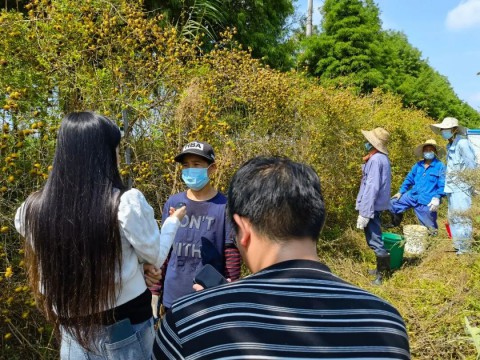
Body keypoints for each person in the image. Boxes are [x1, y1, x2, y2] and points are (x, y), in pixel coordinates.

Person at [152, 156, 410, 360]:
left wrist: (226, 302)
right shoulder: (387, 322)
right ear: (318, 223)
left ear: (243, 229)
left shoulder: (188, 322)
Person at [14, 112, 185, 359]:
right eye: (115, 149)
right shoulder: (124, 203)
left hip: (72, 334)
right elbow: (155, 256)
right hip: (127, 329)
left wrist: (139, 266)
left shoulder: (33, 210)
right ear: (102, 153)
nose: (117, 155)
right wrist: (172, 223)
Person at [145, 141, 241, 315]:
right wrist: (154, 291)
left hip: (207, 297)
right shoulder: (174, 203)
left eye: (196, 164)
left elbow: (231, 254)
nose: (190, 170)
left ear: (212, 168)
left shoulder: (225, 207)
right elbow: (165, 250)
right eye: (186, 165)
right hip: (173, 297)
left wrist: (230, 291)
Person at [430, 117, 477, 254]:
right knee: (454, 216)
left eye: (446, 129)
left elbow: (471, 165)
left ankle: (465, 249)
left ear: (454, 130)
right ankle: (458, 246)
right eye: (443, 129)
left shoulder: (462, 143)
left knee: (462, 217)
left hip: (462, 187)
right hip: (452, 187)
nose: (444, 132)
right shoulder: (450, 145)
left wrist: (471, 185)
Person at [355, 127, 392, 285]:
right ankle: (380, 270)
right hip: (375, 206)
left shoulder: (376, 160)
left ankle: (383, 275)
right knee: (373, 238)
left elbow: (372, 187)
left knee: (375, 240)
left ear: (373, 143)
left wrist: (365, 212)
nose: (366, 143)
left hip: (372, 207)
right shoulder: (380, 158)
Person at [389, 139, 446, 234]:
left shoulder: (440, 166)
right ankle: (396, 222)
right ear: (423, 152)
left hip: (427, 201)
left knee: (430, 228)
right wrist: (401, 192)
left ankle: (432, 242)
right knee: (393, 202)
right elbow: (409, 179)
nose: (428, 152)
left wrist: (437, 198)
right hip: (412, 196)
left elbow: (442, 184)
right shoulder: (418, 165)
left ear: (435, 152)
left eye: (430, 150)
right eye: (426, 150)